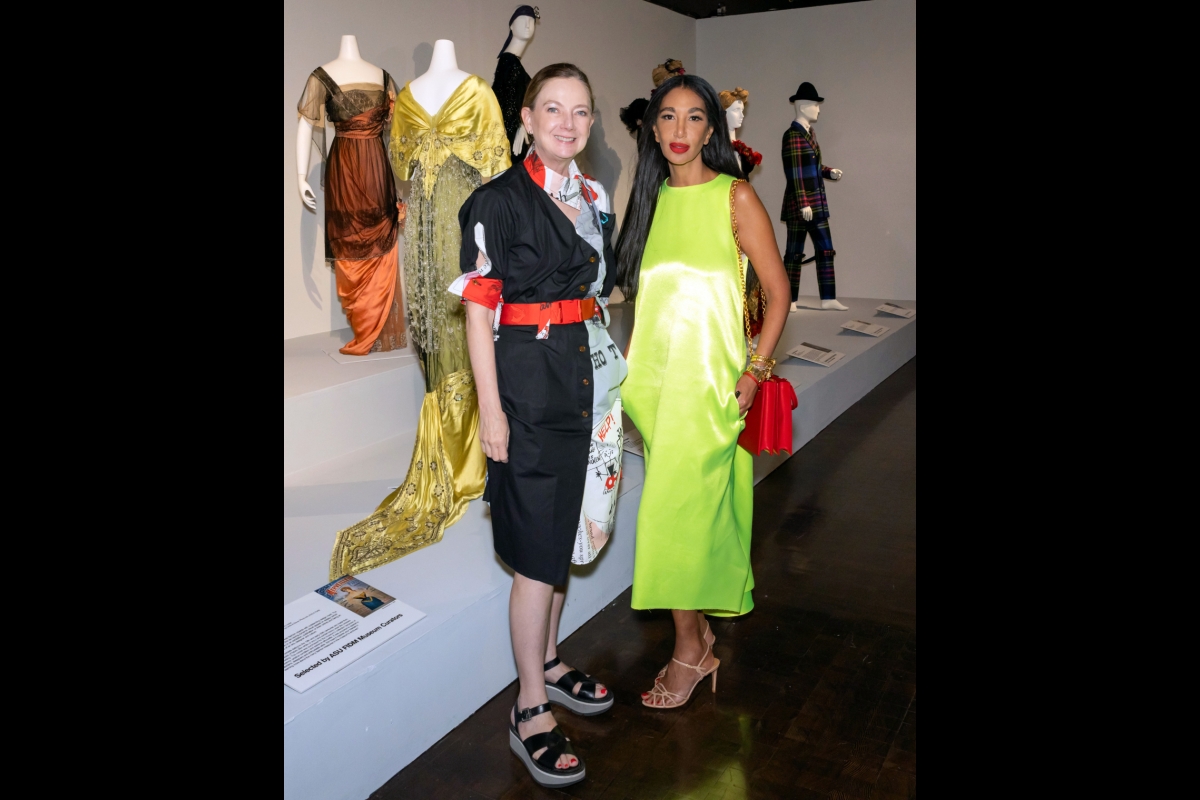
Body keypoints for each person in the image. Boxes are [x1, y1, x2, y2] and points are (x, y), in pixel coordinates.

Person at [454, 63, 625, 788]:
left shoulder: (595, 194)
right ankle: (530, 708)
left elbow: (598, 291)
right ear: (525, 118)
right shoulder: (495, 201)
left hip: (592, 384)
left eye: (580, 111)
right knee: (534, 554)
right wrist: (491, 412)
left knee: (561, 538)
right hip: (529, 388)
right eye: (551, 109)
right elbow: (478, 308)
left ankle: (550, 664)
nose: (566, 122)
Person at [615, 74, 790, 709]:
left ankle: (690, 649)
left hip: (713, 388)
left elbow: (778, 293)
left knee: (674, 519)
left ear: (711, 130)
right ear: (653, 128)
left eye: (694, 118)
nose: (681, 131)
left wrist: (755, 372)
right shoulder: (649, 199)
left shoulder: (734, 197)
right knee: (680, 515)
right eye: (668, 118)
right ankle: (698, 637)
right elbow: (646, 300)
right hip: (656, 391)